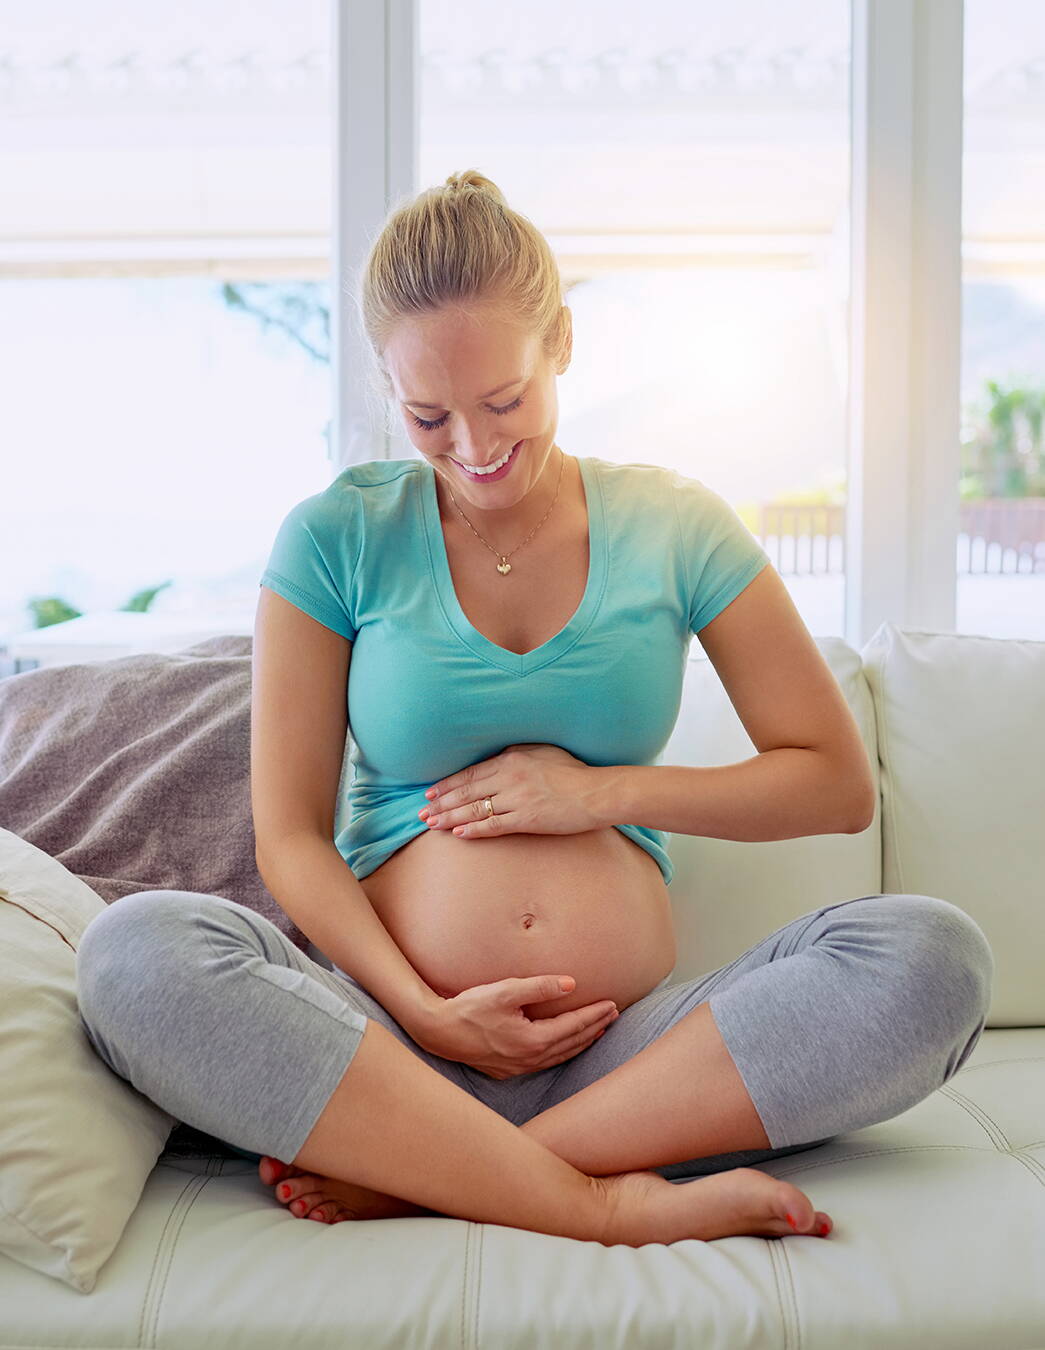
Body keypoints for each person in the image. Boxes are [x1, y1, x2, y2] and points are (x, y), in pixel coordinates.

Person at [75, 170, 994, 1249]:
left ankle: (433, 1172)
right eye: (427, 415)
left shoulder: (676, 523)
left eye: (504, 401)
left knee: (932, 957)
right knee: (134, 953)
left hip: (634, 1063)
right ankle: (592, 1198)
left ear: (559, 341)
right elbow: (288, 838)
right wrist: (426, 1012)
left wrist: (600, 794)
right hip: (390, 1046)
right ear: (385, 387)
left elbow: (833, 786)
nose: (472, 446)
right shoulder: (336, 537)